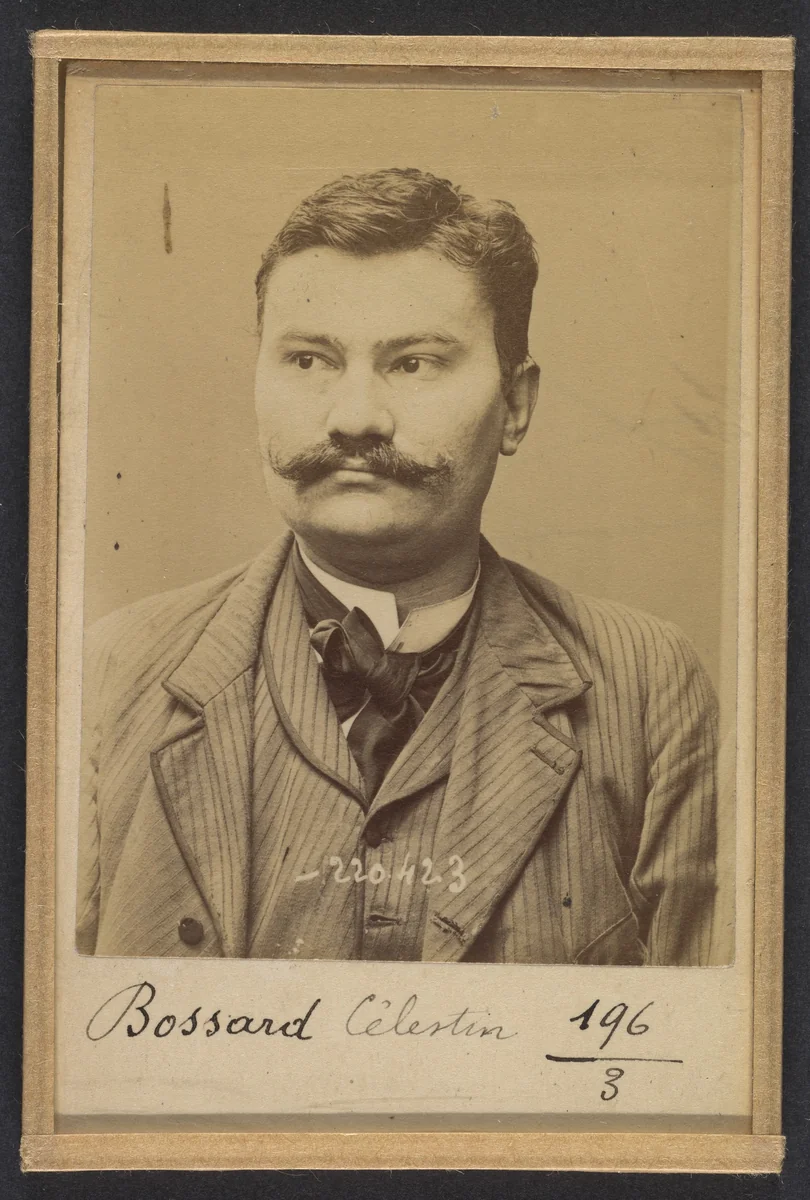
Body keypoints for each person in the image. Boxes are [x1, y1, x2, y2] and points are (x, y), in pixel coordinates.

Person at [76, 167, 722, 966]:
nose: (353, 419)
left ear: (515, 407)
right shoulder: (111, 672)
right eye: (308, 360)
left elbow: (703, 1056)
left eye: (414, 363)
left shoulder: (649, 690)